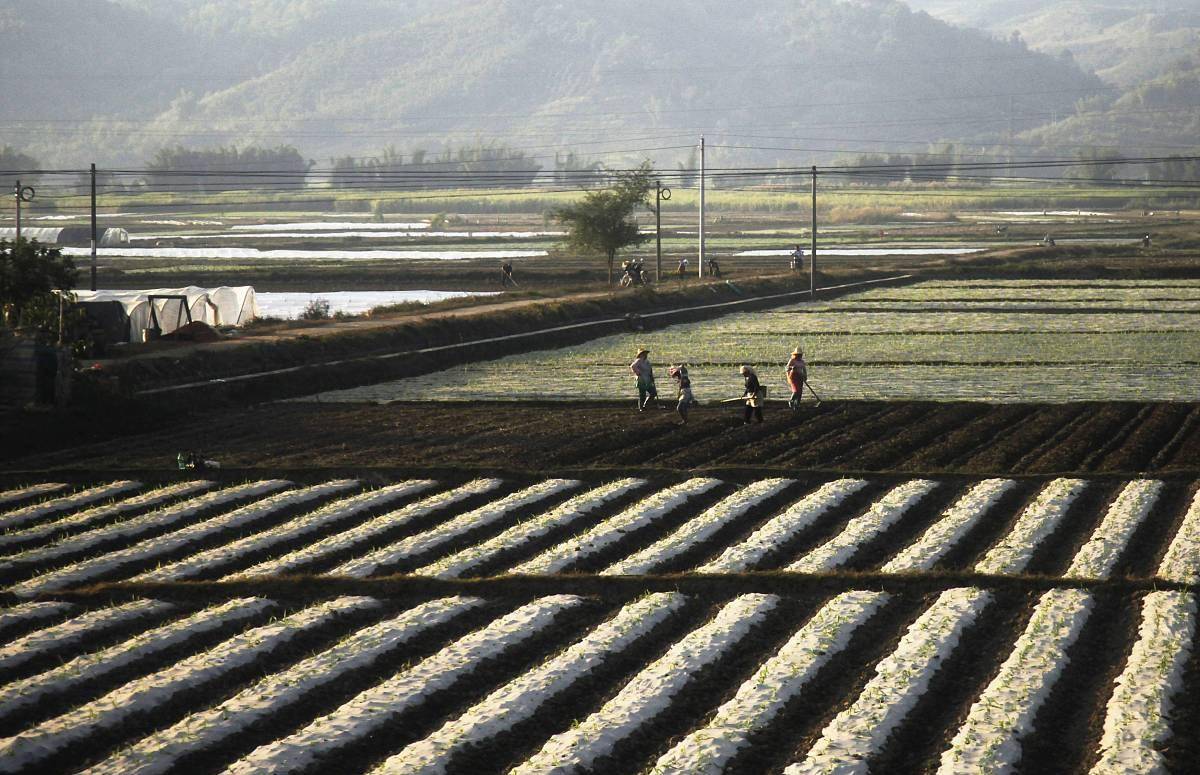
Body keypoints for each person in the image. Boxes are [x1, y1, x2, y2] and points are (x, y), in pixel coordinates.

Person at [785, 347, 807, 412]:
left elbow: (804, 370)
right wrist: (792, 368)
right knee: (796, 390)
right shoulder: (792, 360)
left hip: (800, 377)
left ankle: (797, 404)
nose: (799, 356)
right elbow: (786, 368)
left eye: (800, 355)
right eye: (798, 355)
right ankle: (791, 401)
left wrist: (805, 376)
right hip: (793, 377)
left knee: (800, 392)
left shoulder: (802, 362)